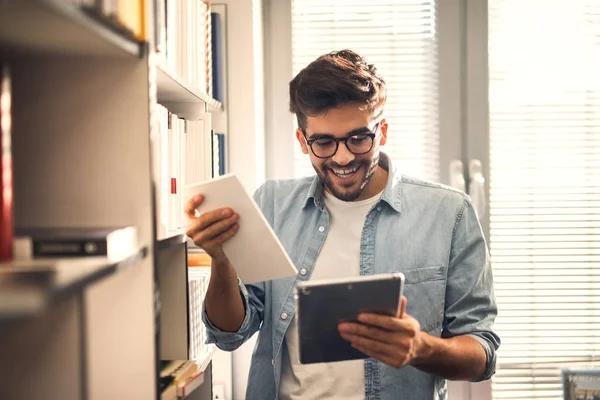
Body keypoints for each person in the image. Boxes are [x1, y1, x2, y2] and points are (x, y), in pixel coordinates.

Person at [185, 49, 500, 400]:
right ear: (303, 141)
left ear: (382, 132)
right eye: (324, 142)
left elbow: (481, 354)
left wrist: (422, 348)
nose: (343, 157)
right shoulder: (272, 203)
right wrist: (222, 260)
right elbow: (231, 334)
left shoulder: (448, 212)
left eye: (358, 138)